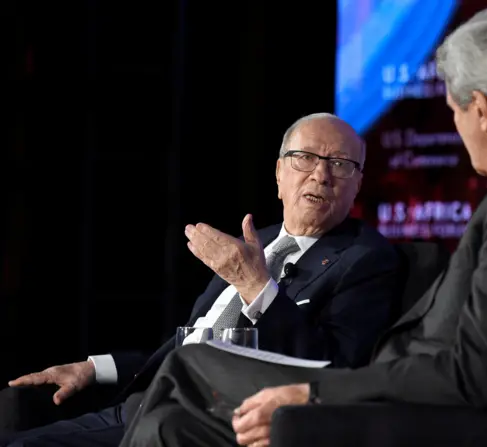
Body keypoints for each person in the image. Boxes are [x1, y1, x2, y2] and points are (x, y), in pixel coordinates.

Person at [118, 4, 487, 447]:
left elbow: (482, 371)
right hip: (420, 390)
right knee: (170, 419)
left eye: (453, 110)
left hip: (435, 412)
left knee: (192, 369)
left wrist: (316, 394)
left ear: (479, 109)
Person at [0, 113, 402, 446]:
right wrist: (95, 368)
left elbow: (333, 369)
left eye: (340, 164)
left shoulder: (366, 260)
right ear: (279, 173)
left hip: (200, 417)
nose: (321, 174)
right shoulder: (256, 241)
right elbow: (190, 345)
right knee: (14, 417)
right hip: (141, 401)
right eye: (305, 158)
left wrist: (256, 287)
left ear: (358, 184)